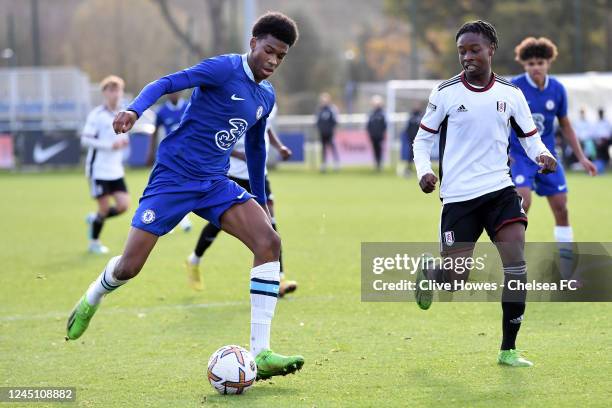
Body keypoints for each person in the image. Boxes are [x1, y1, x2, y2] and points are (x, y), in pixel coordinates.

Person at [66, 12, 304, 380]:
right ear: (253, 42)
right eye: (269, 51)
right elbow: (167, 82)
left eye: (281, 56)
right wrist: (134, 110)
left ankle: (262, 352)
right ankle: (92, 297)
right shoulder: (223, 69)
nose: (273, 61)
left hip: (213, 182)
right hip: (173, 178)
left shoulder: (266, 96)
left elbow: (256, 148)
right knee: (129, 267)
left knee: (268, 241)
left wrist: (258, 197)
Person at [412, 20, 557, 368]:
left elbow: (530, 137)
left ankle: (508, 349)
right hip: (459, 198)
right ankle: (432, 273)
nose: (467, 56)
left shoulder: (510, 94)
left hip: (500, 192)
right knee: (455, 281)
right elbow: (422, 141)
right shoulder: (445, 93)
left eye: (474, 49)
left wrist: (542, 154)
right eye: (462, 51)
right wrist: (425, 171)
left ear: (491, 49)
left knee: (517, 267)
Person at [185, 104, 298, 296]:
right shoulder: (234, 101)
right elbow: (216, 142)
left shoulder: (267, 98)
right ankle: (194, 259)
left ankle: (280, 279)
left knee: (270, 225)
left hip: (259, 176)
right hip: (232, 175)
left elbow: (267, 127)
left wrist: (279, 147)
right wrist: (243, 156)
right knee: (219, 223)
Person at [509, 37, 597, 282]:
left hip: (548, 157)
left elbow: (566, 126)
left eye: (540, 62)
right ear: (524, 65)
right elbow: (500, 122)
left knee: (561, 207)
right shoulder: (514, 88)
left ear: (548, 63)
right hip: (520, 156)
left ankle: (567, 270)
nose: (535, 67)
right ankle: (516, 268)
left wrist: (582, 157)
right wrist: (504, 153)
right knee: (522, 204)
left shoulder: (557, 89)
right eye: (530, 63)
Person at [81, 76, 131, 254]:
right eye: (111, 90)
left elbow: (123, 138)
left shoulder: (123, 114)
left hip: (115, 170)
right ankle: (94, 242)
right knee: (103, 207)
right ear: (104, 93)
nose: (115, 94)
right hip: (98, 170)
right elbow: (85, 140)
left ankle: (95, 219)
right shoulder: (97, 115)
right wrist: (109, 146)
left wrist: (123, 142)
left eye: (118, 90)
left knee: (124, 205)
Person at [148, 91, 192, 232]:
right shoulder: (162, 111)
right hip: (170, 156)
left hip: (188, 154)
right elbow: (155, 132)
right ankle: (173, 220)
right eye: (171, 92)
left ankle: (177, 219)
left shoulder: (188, 106)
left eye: (177, 92)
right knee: (169, 186)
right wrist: (150, 151)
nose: (174, 95)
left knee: (185, 186)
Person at [316, 92, 340, 172]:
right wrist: (320, 128)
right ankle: (323, 165)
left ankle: (336, 164)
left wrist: (331, 129)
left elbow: (335, 121)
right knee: (323, 149)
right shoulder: (320, 110)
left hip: (330, 133)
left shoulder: (332, 109)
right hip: (322, 133)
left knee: (333, 147)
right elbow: (317, 121)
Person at [366, 95, 387, 171]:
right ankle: (376, 164)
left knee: (379, 150)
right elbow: (369, 125)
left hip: (379, 135)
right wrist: (369, 132)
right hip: (373, 135)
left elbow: (385, 125)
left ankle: (380, 164)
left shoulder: (382, 114)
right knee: (375, 150)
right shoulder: (371, 114)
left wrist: (383, 133)